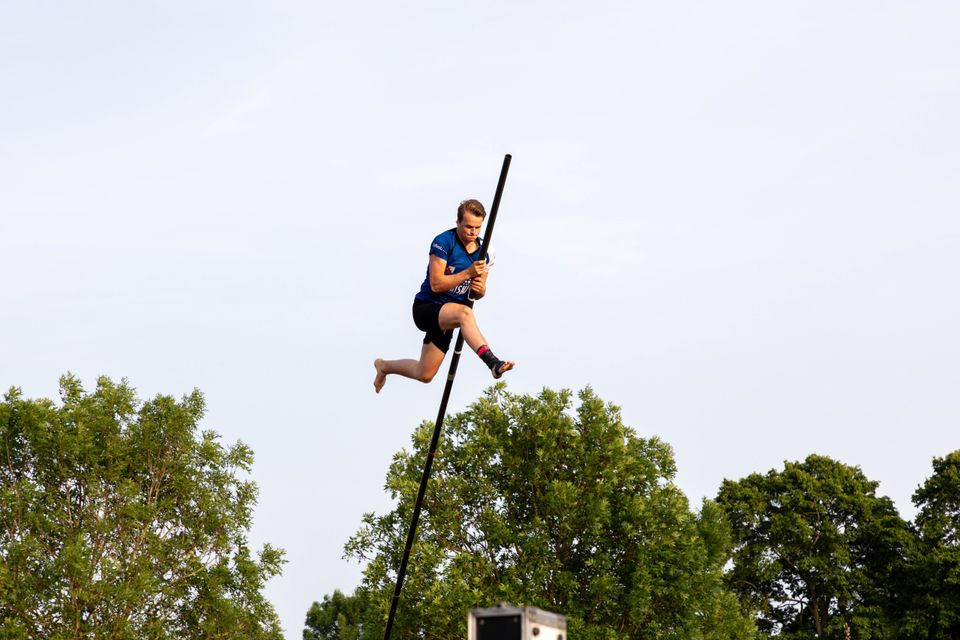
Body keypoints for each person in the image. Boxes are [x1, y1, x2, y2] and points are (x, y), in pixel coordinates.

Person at [374, 199, 514, 393]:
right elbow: (436, 284)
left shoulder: (487, 252)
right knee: (465, 313)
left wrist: (480, 290)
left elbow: (478, 291)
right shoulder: (443, 242)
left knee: (425, 374)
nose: (473, 232)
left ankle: (384, 366)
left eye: (477, 227)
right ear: (458, 222)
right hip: (427, 308)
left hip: (449, 316)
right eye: (468, 227)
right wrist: (467, 273)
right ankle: (493, 363)